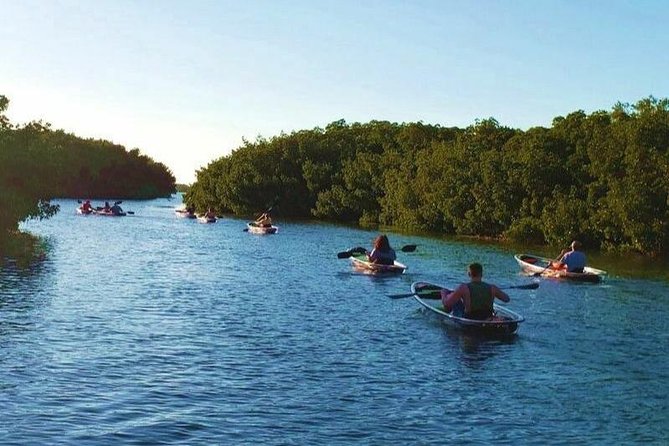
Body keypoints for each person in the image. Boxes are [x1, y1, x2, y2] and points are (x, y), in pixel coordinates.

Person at [441, 263, 510, 320]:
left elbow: (447, 303)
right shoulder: (492, 287)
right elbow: (507, 299)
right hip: (487, 317)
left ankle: (445, 313)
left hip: (469, 318)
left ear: (469, 274)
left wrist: (443, 293)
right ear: (482, 274)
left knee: (454, 300)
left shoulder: (463, 287)